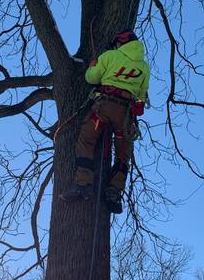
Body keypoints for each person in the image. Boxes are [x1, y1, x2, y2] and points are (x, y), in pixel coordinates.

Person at [60, 29, 150, 213]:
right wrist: (137, 105)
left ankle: (83, 184)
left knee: (86, 140)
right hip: (125, 114)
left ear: (120, 42)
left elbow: (91, 78)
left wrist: (93, 66)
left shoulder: (110, 56)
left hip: (104, 107)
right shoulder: (144, 67)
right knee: (123, 153)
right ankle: (114, 192)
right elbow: (141, 95)